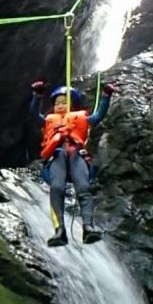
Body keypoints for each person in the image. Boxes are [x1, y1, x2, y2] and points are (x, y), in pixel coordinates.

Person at [30, 80, 117, 247]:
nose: (61, 106)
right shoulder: (49, 120)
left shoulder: (81, 118)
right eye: (58, 103)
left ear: (74, 105)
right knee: (57, 188)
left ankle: (88, 227)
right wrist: (37, 96)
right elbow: (34, 114)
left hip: (77, 154)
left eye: (65, 103)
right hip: (56, 155)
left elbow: (98, 115)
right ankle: (59, 230)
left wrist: (106, 95)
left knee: (83, 189)